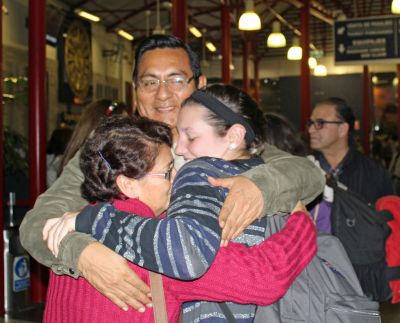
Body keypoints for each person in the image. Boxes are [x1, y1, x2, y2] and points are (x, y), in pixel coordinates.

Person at [20, 35, 324, 312]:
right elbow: (37, 224)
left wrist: (259, 187)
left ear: (199, 85)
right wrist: (83, 254)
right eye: (150, 82)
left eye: (176, 80)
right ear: (136, 89)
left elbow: (304, 173)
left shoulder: (219, 143)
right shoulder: (115, 148)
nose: (163, 94)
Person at [42, 114, 316, 322]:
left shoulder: (73, 239)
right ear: (128, 184)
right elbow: (264, 278)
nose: (176, 182)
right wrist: (301, 224)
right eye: (167, 172)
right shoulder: (162, 243)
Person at [307, 97, 393, 204]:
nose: (311, 130)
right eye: (310, 123)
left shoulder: (373, 173)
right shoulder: (303, 170)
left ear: (342, 129)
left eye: (320, 123)